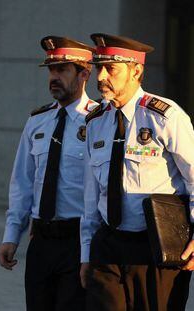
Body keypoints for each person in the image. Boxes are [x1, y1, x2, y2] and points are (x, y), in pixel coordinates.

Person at [80, 33, 194, 310]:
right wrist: (85, 254)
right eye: (99, 67)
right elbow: (91, 197)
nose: (101, 76)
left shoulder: (165, 116)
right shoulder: (96, 122)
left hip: (155, 248)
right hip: (108, 247)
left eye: (111, 68)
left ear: (136, 71)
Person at [0, 36, 98, 310]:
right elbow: (22, 182)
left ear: (84, 74)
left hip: (79, 241)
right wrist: (11, 235)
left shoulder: (100, 121)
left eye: (62, 70)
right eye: (52, 70)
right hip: (41, 242)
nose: (54, 77)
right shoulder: (37, 121)